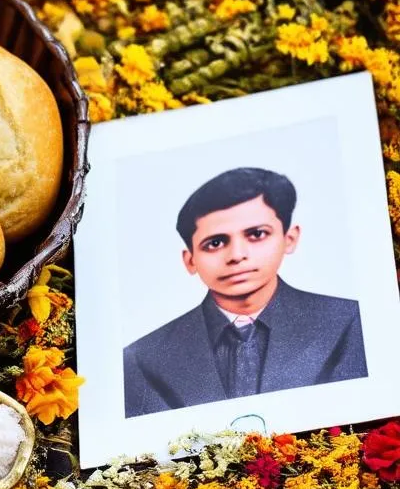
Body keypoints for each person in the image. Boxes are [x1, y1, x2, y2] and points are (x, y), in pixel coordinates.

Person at [123, 167, 367, 419]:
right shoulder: (142, 358)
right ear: (190, 260)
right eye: (215, 243)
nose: (237, 255)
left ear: (289, 238)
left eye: (256, 234)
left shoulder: (348, 323)